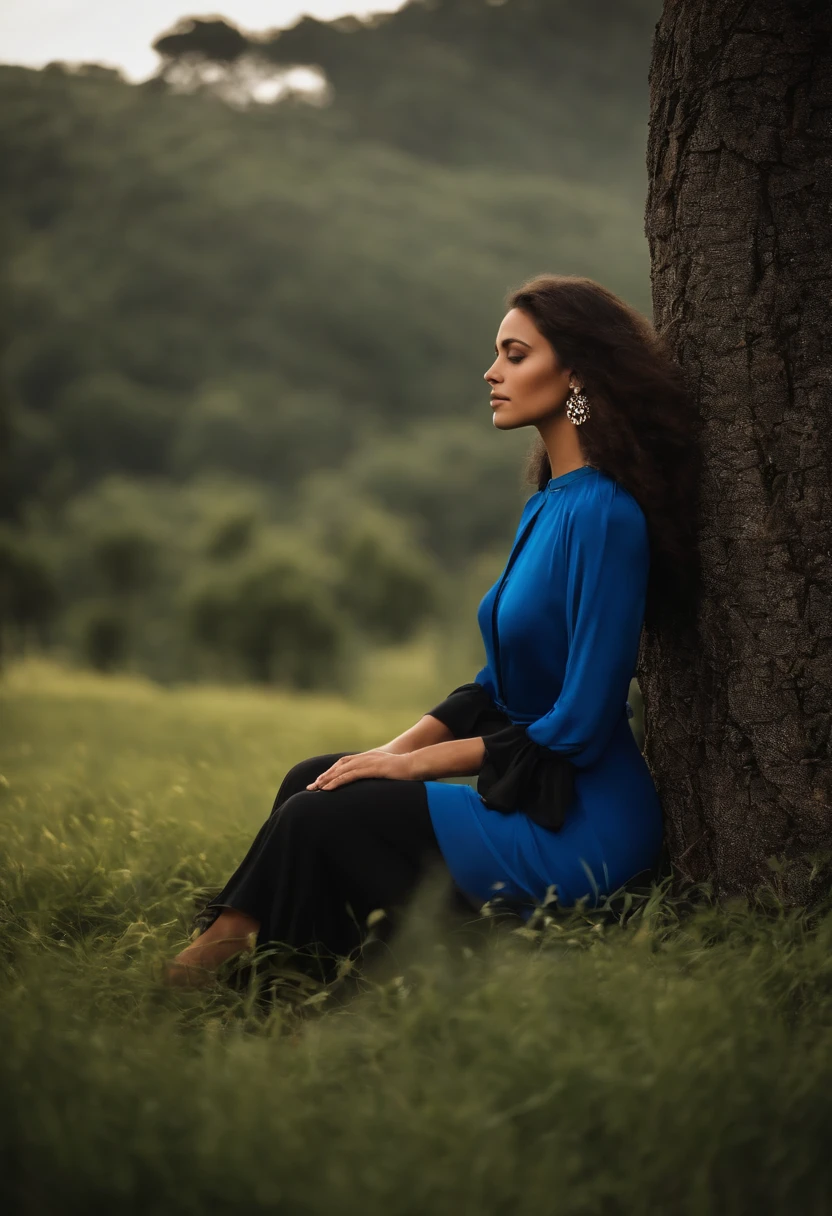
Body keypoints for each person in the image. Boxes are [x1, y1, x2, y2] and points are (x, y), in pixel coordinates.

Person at [162, 273, 702, 989]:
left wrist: (409, 767)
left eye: (514, 354)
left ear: (574, 372)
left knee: (325, 815)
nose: (492, 371)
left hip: (580, 822)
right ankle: (288, 969)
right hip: (535, 785)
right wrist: (386, 751)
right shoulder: (550, 504)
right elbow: (494, 686)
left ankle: (223, 957)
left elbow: (582, 722)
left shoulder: (605, 516)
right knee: (314, 782)